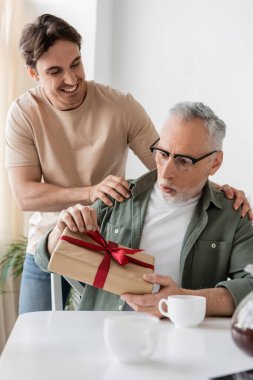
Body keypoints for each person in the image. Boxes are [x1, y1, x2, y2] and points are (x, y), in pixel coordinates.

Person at [5, 14, 251, 314]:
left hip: (107, 227)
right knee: (35, 338)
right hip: (57, 233)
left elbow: (167, 163)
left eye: (76, 64)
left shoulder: (121, 106)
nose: (71, 79)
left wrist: (216, 191)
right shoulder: (23, 114)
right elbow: (25, 196)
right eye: (55, 71)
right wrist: (92, 193)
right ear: (34, 74)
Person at [35, 101, 253, 317]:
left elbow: (251, 287)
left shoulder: (232, 214)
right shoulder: (118, 197)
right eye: (163, 154)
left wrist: (182, 300)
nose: (166, 172)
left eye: (184, 161)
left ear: (214, 163)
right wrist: (61, 230)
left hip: (185, 339)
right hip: (104, 333)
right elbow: (44, 259)